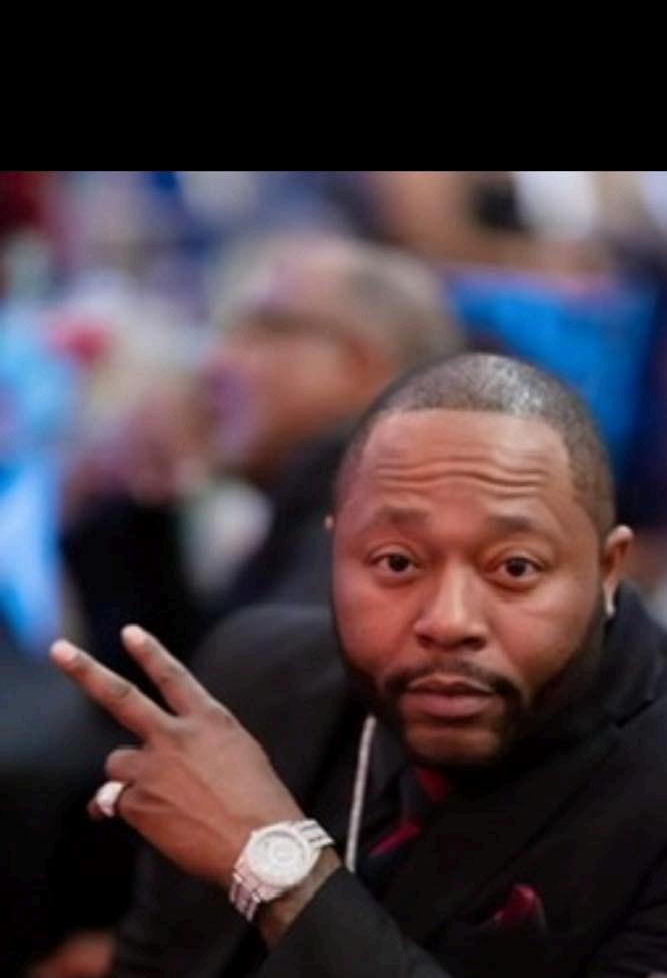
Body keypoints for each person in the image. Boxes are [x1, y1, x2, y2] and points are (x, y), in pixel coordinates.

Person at [46, 354, 667, 978]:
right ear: (333, 551)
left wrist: (278, 866)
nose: (448, 620)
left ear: (608, 570)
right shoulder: (256, 675)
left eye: (515, 568)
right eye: (396, 562)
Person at [61, 236, 462, 668]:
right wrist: (130, 504)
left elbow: (236, 693)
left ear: (359, 367)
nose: (214, 364)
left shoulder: (382, 530)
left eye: (261, 330)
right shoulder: (313, 516)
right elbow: (172, 682)